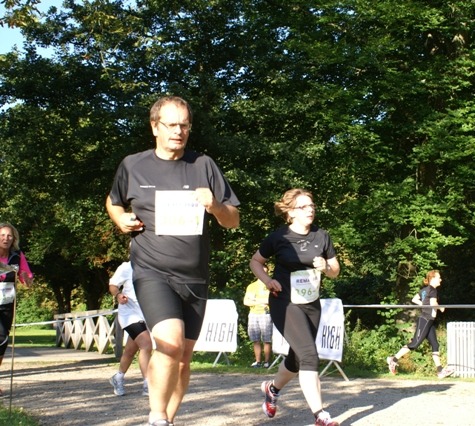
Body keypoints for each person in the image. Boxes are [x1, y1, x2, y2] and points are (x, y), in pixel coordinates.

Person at [106, 96, 240, 426]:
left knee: (183, 357)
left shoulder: (203, 165)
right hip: (152, 270)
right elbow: (113, 201)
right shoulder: (133, 165)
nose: (179, 131)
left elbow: (233, 220)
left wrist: (215, 206)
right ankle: (156, 417)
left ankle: (166, 418)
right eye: (171, 125)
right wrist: (120, 219)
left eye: (185, 125)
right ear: (155, 127)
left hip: (194, 276)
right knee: (169, 343)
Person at [249, 188, 341, 426]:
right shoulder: (278, 237)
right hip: (285, 302)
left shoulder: (322, 236)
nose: (310, 210)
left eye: (312, 205)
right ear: (291, 212)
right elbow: (255, 261)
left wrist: (326, 267)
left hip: (311, 303)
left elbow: (335, 271)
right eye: (304, 207)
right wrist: (268, 281)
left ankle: (272, 389)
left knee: (298, 357)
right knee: (309, 355)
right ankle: (320, 415)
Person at [386, 270, 454, 379]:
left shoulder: (425, 290)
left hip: (429, 321)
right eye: (439, 277)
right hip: (425, 319)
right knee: (414, 344)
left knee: (435, 345)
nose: (441, 280)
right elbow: (433, 303)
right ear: (433, 278)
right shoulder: (432, 290)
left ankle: (440, 371)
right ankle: (393, 359)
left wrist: (423, 304)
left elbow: (415, 299)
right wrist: (440, 307)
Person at [108, 259, 153, 397]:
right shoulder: (127, 267)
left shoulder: (154, 265)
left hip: (146, 314)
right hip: (129, 314)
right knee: (146, 344)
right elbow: (113, 285)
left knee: (130, 350)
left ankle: (118, 377)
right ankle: (148, 384)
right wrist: (118, 295)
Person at [0, 222, 33, 397]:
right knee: (0, 337)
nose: (5, 239)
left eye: (9, 236)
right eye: (2, 235)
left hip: (7, 303)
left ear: (14, 239)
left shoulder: (17, 256)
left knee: (3, 341)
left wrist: (27, 279)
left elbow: (27, 279)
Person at [243, 266, 273, 368]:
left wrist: (255, 300)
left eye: (265, 272)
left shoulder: (270, 285)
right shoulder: (251, 286)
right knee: (255, 340)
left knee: (267, 340)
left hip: (266, 314)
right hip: (253, 314)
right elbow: (246, 302)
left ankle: (267, 362)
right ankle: (258, 362)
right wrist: (261, 301)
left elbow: (270, 300)